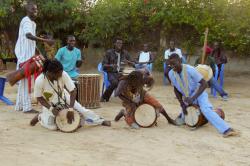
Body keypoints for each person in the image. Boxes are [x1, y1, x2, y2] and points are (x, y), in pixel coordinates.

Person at [168, 53, 238, 137]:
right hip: (187, 98)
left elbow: (204, 84)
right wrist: (182, 103)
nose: (172, 66)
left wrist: (193, 98)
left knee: (205, 109)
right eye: (170, 64)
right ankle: (184, 115)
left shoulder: (190, 69)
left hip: (199, 93)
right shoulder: (171, 73)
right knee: (186, 117)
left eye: (174, 64)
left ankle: (227, 129)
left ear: (180, 60)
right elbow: (176, 88)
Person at [30, 59, 111, 130]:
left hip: (63, 96)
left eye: (61, 73)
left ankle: (100, 121)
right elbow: (39, 98)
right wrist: (51, 109)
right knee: (53, 127)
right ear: (50, 73)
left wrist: (71, 109)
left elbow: (73, 90)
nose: (61, 75)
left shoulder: (63, 74)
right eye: (58, 74)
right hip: (50, 103)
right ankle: (41, 116)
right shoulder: (40, 80)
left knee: (82, 110)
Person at [14, 1, 54, 113]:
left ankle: (19, 105)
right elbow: (28, 36)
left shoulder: (33, 23)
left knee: (23, 80)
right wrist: (45, 40)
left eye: (36, 10)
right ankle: (27, 108)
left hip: (29, 55)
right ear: (27, 10)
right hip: (24, 56)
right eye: (33, 9)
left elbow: (32, 41)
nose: (35, 11)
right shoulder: (26, 20)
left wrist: (38, 52)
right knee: (25, 80)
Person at [101, 37, 134, 102]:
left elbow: (133, 63)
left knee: (131, 80)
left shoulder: (125, 53)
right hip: (111, 73)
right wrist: (111, 66)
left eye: (121, 43)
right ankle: (104, 97)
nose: (120, 45)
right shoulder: (109, 53)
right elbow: (103, 65)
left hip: (122, 73)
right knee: (115, 83)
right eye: (118, 43)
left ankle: (131, 97)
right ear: (114, 44)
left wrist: (128, 62)